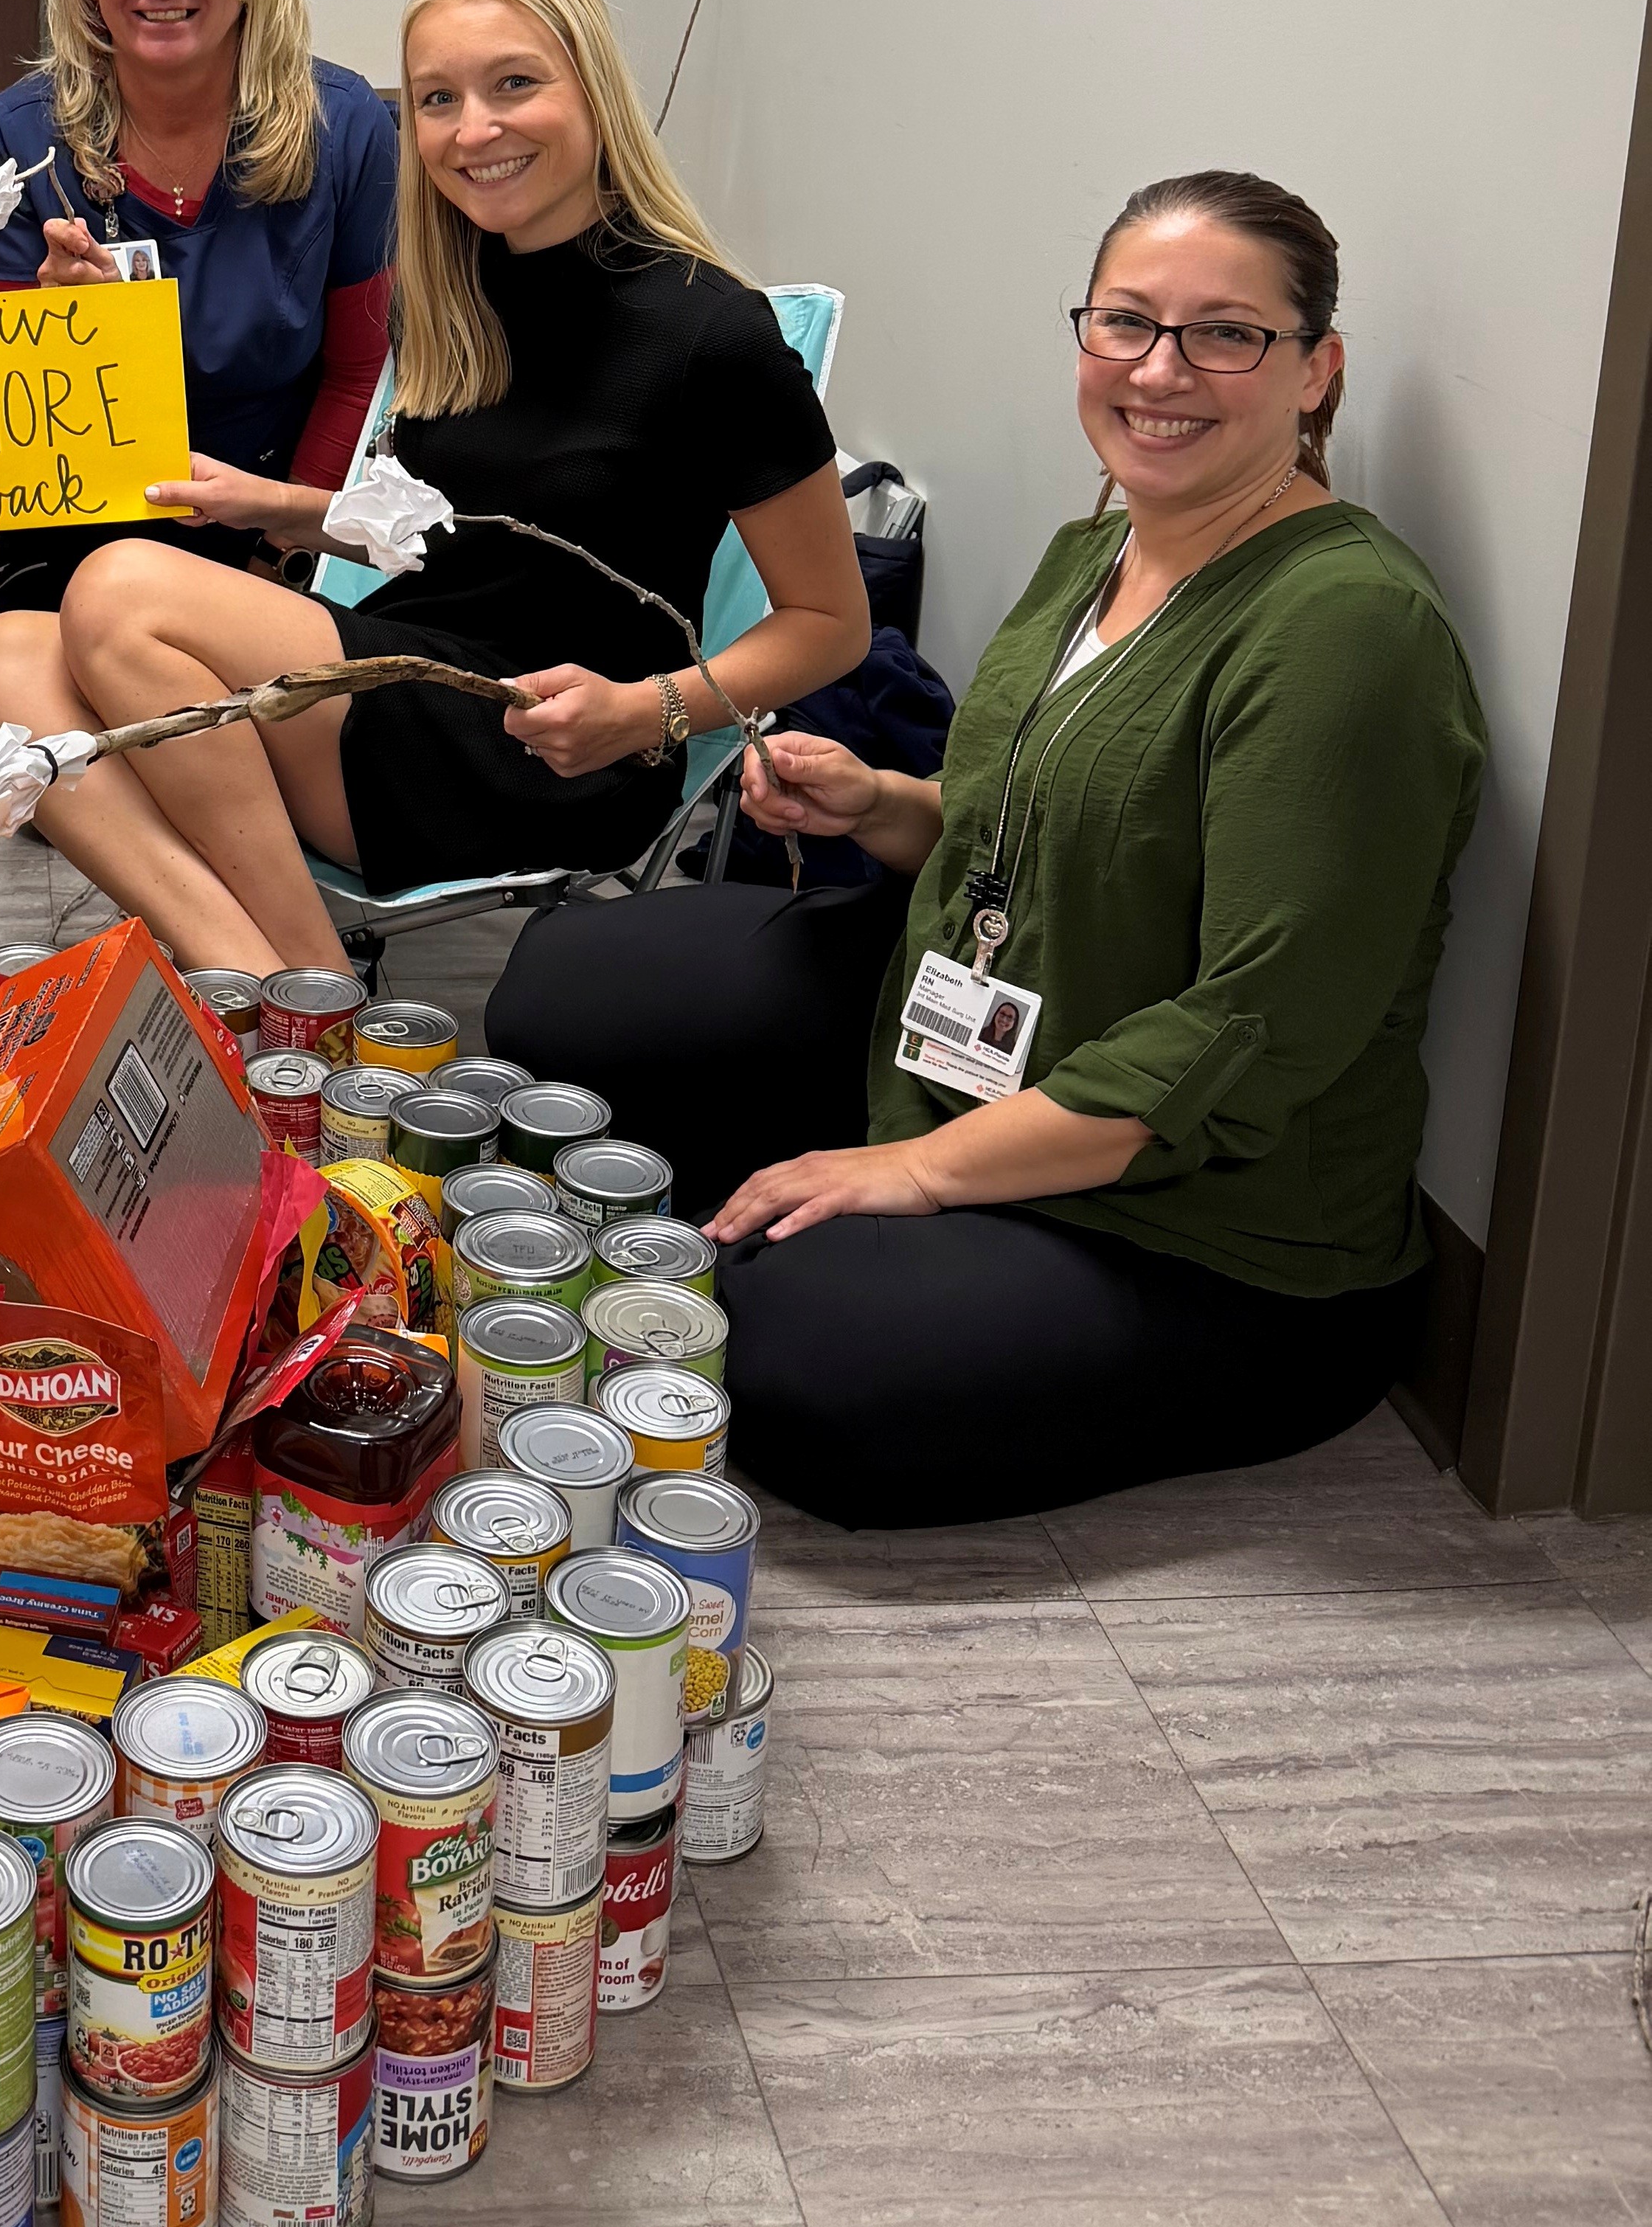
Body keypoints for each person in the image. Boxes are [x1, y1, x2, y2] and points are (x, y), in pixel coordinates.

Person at [490, 170, 1485, 1529]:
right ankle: (872, 1189)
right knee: (567, 989)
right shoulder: (1104, 546)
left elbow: (1251, 1030)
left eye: (1227, 334)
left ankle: (908, 1220)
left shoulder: (1346, 631)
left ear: (1318, 373)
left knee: (786, 1358)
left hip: (1207, 1224)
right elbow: (1015, 819)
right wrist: (880, 804)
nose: (1162, 371)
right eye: (1126, 322)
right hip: (992, 1038)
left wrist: (913, 1173)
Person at [22, 0, 870, 979]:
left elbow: (831, 628)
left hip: (550, 744)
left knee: (116, 589)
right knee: (8, 658)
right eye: (437, 99)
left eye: (514, 84)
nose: (474, 130)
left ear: (593, 92)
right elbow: (445, 532)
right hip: (411, 668)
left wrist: (648, 709)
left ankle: (306, 984)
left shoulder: (713, 336)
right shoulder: (459, 295)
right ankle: (252, 976)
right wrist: (278, 505)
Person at [0, 0, 398, 927]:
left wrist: (288, 552)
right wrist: (58, 345)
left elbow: (354, 376)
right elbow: (10, 462)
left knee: (128, 701)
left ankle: (256, 967)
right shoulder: (22, 140)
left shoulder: (343, 130)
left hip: (262, 549)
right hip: (79, 549)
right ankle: (261, 959)